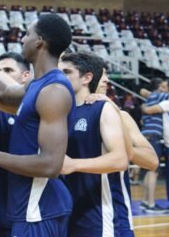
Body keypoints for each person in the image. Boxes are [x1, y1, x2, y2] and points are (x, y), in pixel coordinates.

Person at [0, 14, 75, 236]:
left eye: (27, 34)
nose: (22, 39)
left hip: (39, 208)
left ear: (40, 41)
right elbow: (2, 93)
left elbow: (51, 165)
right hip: (29, 207)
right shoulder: (37, 85)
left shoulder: (54, 90)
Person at [58, 52, 128, 236]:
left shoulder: (102, 109)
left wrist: (74, 165)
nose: (59, 77)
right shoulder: (59, 111)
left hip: (96, 213)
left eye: (66, 72)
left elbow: (120, 159)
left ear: (87, 78)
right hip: (64, 209)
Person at [85, 63, 159, 236]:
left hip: (113, 214)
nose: (107, 80)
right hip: (72, 212)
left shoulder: (120, 116)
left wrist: (114, 111)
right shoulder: (65, 113)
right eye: (102, 74)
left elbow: (152, 161)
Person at [0, 52, 31, 237]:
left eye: (8, 70)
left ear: (25, 76)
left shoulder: (36, 106)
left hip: (27, 205)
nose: (2, 74)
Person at [140, 78, 169, 213]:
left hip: (147, 136)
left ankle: (146, 202)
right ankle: (151, 204)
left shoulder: (153, 97)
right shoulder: (160, 97)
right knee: (154, 170)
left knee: (150, 169)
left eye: (164, 87)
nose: (162, 89)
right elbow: (148, 110)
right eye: (161, 86)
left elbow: (143, 94)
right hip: (153, 136)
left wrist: (144, 105)